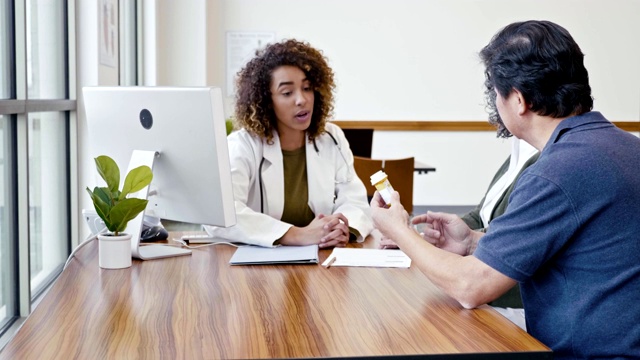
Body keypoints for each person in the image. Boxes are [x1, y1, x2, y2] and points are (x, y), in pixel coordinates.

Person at [371, 20, 640, 359]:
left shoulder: (556, 172)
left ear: (518, 100)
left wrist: (399, 228)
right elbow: (583, 251)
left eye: (496, 93)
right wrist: (472, 242)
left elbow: (471, 287)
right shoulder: (627, 147)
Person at [206, 39, 373, 248]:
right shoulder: (243, 145)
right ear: (266, 100)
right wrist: (296, 235)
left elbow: (355, 202)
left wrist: (341, 228)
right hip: (258, 270)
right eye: (287, 92)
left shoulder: (331, 137)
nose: (301, 99)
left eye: (307, 88)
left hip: (323, 261)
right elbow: (220, 215)